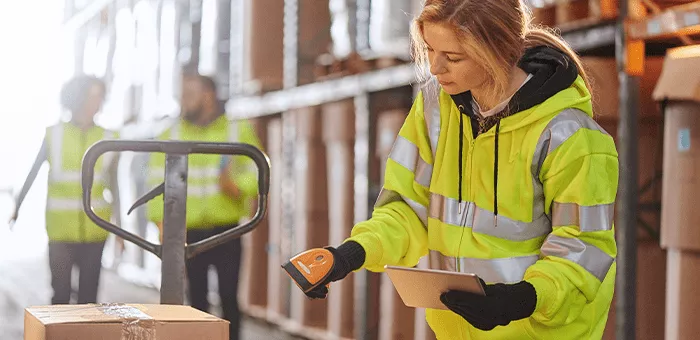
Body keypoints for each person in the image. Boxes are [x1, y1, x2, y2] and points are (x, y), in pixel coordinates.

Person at [293, 1, 618, 339]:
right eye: (430, 49)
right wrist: (349, 254)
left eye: (453, 56)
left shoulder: (569, 136)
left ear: (498, 50)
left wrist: (519, 300)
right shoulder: (436, 110)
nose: (434, 67)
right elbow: (407, 209)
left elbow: (583, 249)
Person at [147, 73, 262, 340]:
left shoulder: (236, 130)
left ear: (208, 96)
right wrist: (160, 223)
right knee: (196, 300)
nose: (182, 102)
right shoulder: (171, 133)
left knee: (229, 299)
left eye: (189, 96)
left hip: (227, 231)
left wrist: (236, 185)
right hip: (187, 231)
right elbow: (155, 181)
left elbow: (257, 170)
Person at [9, 75, 122, 305]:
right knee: (60, 296)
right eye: (92, 96)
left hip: (96, 230)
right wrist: (17, 207)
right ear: (76, 97)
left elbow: (114, 186)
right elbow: (33, 173)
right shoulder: (54, 135)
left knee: (89, 299)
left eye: (100, 96)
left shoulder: (108, 138)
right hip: (60, 231)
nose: (97, 102)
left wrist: (120, 230)